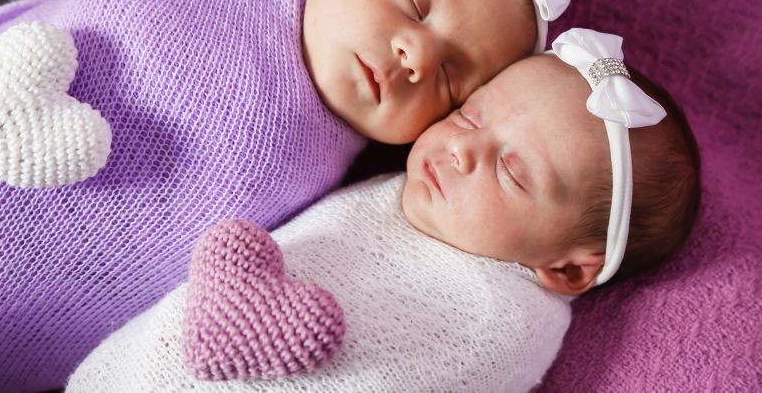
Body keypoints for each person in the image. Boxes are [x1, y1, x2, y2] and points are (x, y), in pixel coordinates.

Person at [0, 0, 576, 391]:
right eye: (413, 3)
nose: (415, 56)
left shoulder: (333, 185)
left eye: (449, 78)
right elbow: (73, 14)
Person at [66, 29, 701, 392]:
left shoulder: (503, 322)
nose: (461, 148)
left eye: (511, 171)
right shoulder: (399, 187)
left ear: (566, 268)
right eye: (469, 115)